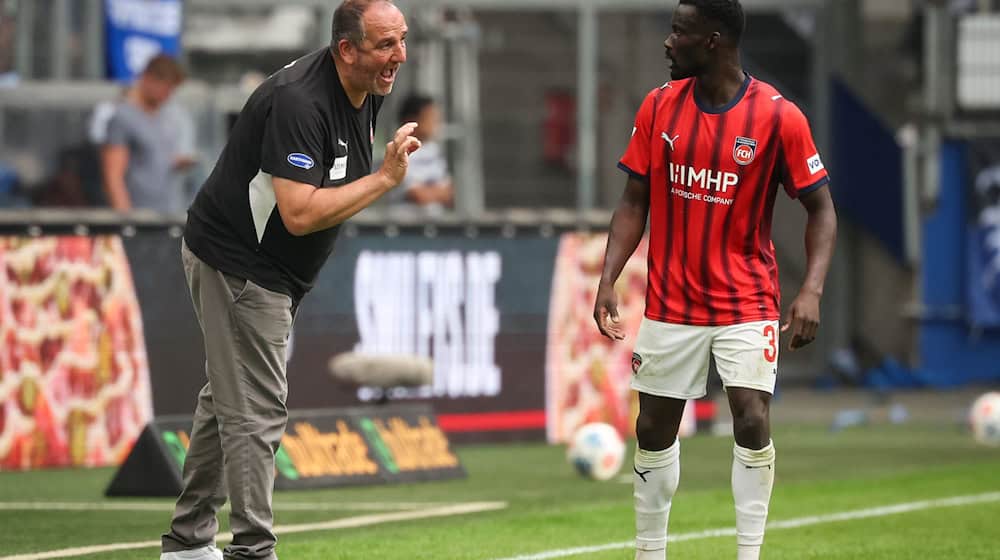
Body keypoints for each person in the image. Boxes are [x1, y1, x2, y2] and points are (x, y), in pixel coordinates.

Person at [159, 2, 417, 559]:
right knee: (257, 407)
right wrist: (386, 179)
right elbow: (299, 212)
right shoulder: (302, 101)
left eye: (402, 40)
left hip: (269, 270)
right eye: (384, 45)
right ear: (347, 50)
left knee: (227, 399)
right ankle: (252, 550)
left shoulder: (364, 87)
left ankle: (186, 543)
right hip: (240, 265)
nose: (398, 56)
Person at [592, 2, 837, 559]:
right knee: (653, 428)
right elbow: (634, 201)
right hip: (671, 304)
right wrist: (610, 276)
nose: (668, 41)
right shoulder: (658, 107)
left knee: (751, 413)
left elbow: (822, 209)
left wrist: (812, 289)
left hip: (746, 301)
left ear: (714, 40)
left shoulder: (779, 117)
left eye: (680, 31)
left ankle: (748, 553)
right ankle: (649, 552)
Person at [100, 54, 194, 212]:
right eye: (165, 87)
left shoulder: (169, 116)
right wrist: (126, 220)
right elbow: (113, 176)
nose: (168, 94)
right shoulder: (123, 117)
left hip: (171, 213)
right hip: (139, 216)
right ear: (148, 79)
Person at [390, 93, 454, 214]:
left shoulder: (434, 151)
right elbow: (416, 195)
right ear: (411, 120)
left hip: (434, 225)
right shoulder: (398, 149)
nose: (435, 124)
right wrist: (435, 193)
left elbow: (448, 193)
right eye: (429, 118)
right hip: (402, 227)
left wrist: (429, 193)